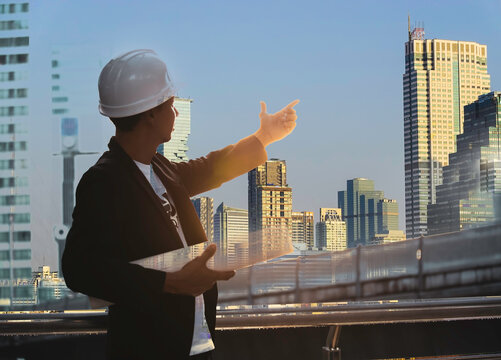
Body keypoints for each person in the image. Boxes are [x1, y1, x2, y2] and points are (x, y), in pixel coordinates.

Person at [62, 49, 299, 360]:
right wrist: (169, 283)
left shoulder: (159, 168)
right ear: (149, 114)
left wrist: (264, 136)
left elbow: (210, 168)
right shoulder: (105, 181)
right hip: (150, 348)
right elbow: (79, 269)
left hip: (194, 343)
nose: (175, 113)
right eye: (171, 106)